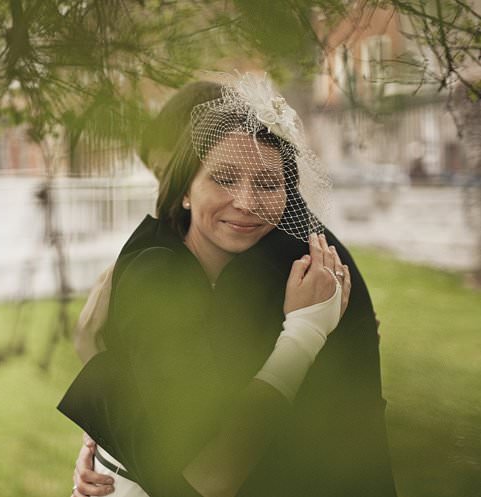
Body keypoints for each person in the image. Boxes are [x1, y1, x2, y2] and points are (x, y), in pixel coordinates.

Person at [59, 74, 397, 497]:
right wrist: (107, 451)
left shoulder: (277, 265)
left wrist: (122, 458)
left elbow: (205, 466)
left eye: (262, 180)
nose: (246, 200)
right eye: (223, 178)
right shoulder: (191, 257)